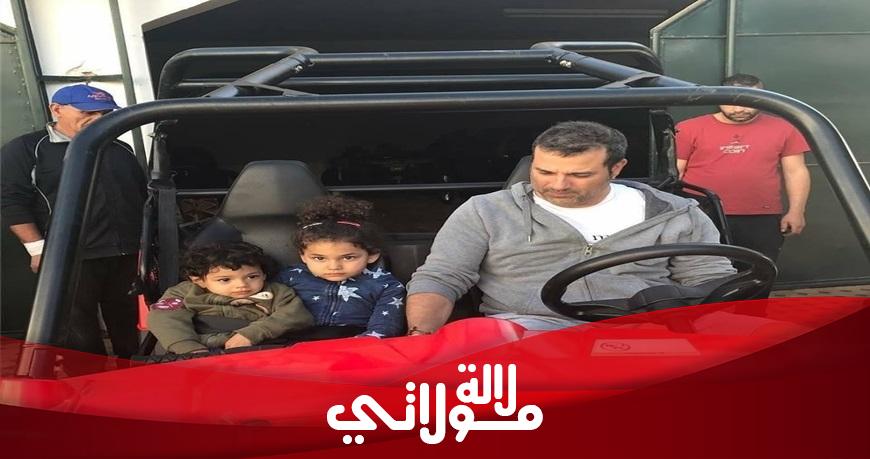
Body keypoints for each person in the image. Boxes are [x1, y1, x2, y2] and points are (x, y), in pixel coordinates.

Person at [405, 120, 737, 334]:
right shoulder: (487, 211)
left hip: (640, 328)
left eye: (579, 175)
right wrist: (420, 336)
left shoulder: (675, 213)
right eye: (544, 172)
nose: (558, 185)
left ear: (616, 168)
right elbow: (443, 277)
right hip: (524, 328)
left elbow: (707, 279)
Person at [1, 84, 146, 358]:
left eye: (105, 113)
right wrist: (38, 250)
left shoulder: (120, 148)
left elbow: (141, 196)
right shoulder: (28, 149)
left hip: (125, 252)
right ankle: (88, 379)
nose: (99, 118)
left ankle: (132, 373)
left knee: (127, 324)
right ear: (57, 110)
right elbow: (10, 202)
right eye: (88, 112)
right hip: (69, 255)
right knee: (78, 329)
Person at [675, 73, 811, 262]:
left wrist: (796, 211)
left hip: (762, 215)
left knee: (758, 270)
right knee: (701, 269)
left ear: (763, 99)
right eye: (730, 102)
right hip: (702, 211)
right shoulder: (688, 128)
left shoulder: (784, 128)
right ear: (719, 99)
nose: (739, 109)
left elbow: (796, 172)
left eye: (747, 102)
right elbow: (675, 173)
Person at [148, 241, 315, 354]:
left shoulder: (277, 292)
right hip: (196, 348)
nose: (241, 285)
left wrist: (252, 333)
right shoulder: (184, 292)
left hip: (257, 349)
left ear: (264, 274)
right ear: (199, 280)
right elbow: (164, 318)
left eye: (252, 277)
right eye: (225, 280)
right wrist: (189, 349)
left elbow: (296, 315)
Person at [276, 196, 406, 338]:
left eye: (348, 257)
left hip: (353, 343)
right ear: (303, 256)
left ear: (372, 255)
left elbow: (384, 328)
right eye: (319, 258)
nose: (334, 267)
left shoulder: (385, 285)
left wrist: (362, 344)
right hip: (293, 342)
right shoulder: (290, 277)